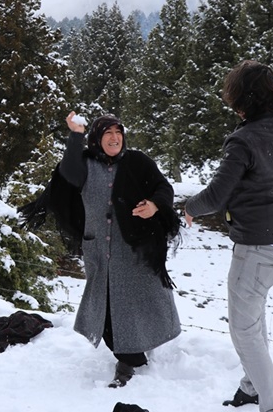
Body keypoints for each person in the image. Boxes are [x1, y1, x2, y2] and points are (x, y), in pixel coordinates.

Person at [184, 60, 273, 412]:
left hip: (255, 247)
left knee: (243, 330)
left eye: (237, 102)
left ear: (246, 103)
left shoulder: (245, 141)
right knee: (254, 319)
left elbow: (217, 195)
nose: (235, 110)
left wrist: (188, 208)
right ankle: (251, 385)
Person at [36, 111, 182, 387]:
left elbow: (164, 188)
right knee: (105, 308)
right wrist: (75, 135)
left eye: (118, 133)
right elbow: (67, 172)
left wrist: (154, 205)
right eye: (107, 133)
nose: (114, 138)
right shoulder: (86, 165)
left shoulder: (137, 162)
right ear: (97, 139)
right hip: (98, 249)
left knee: (138, 302)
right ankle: (127, 351)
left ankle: (130, 359)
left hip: (134, 248)